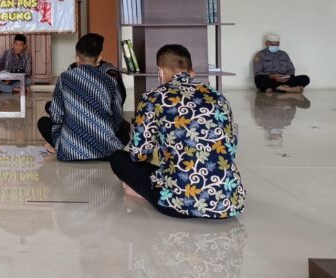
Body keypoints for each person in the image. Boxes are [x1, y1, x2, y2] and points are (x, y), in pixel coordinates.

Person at [110, 44, 245, 219]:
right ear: (192, 72)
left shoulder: (153, 97)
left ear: (160, 71)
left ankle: (140, 191)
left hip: (180, 203)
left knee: (118, 159)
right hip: (229, 203)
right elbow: (231, 147)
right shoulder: (218, 97)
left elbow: (139, 155)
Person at [38, 33, 128, 161]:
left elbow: (56, 115)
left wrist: (61, 142)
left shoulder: (65, 77)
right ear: (99, 57)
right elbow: (117, 117)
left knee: (44, 122)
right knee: (124, 130)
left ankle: (61, 147)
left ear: (77, 58)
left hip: (70, 153)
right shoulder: (110, 80)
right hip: (107, 152)